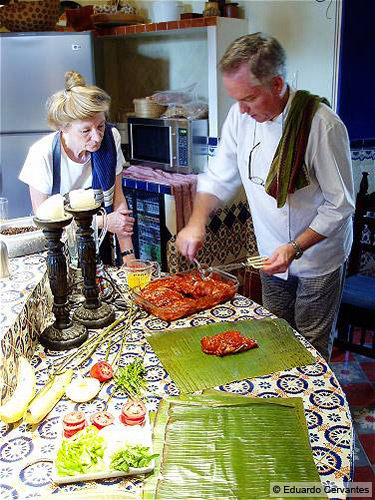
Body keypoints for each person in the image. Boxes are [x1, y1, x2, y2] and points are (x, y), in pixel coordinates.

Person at [176, 33, 355, 360]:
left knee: (310, 346)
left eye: (249, 99)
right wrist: (196, 223)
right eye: (236, 100)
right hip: (271, 253)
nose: (241, 110)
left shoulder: (322, 126)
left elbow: (340, 205)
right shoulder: (240, 117)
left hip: (318, 257)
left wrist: (295, 247)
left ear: (277, 84)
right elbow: (218, 174)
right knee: (275, 336)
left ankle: (313, 406)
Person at [19, 70, 135, 265]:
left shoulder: (110, 138)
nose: (97, 137)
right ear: (63, 128)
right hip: (59, 254)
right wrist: (103, 222)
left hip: (99, 246)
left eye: (100, 126)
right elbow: (45, 224)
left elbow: (118, 200)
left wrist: (130, 260)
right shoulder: (42, 154)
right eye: (85, 131)